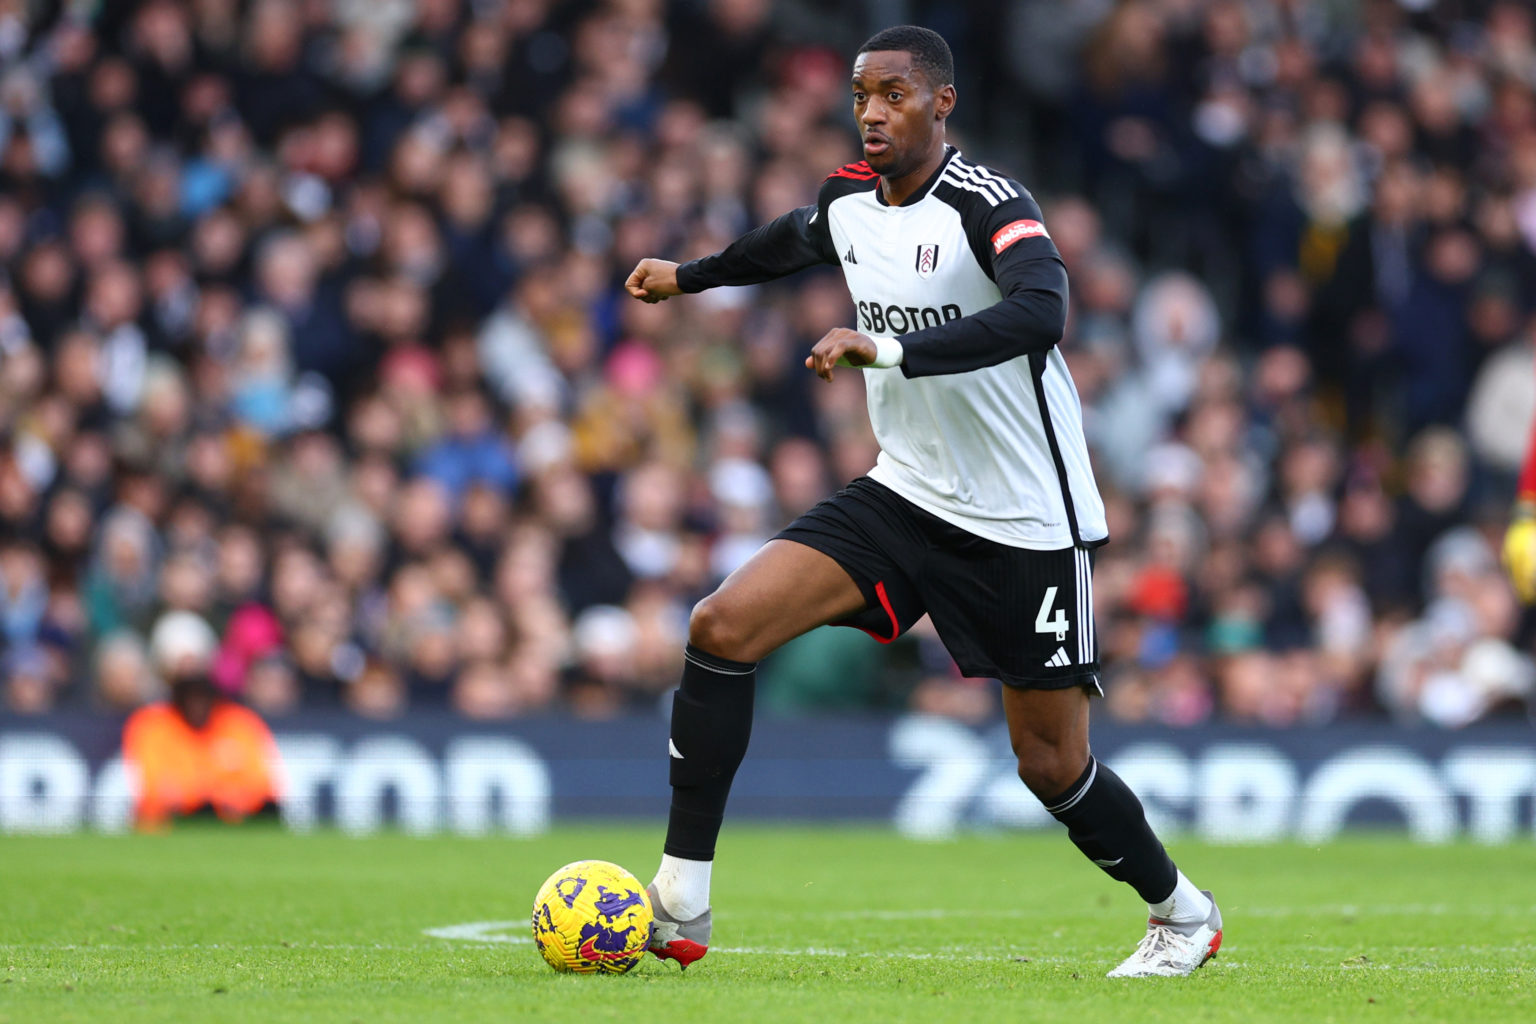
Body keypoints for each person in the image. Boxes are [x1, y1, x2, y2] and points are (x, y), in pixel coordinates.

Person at [624, 26, 1220, 978]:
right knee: (722, 625)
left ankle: (1181, 913)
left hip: (1028, 519)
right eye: (862, 94)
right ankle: (681, 901)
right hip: (906, 493)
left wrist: (886, 348)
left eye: (893, 95)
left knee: (1051, 765)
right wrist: (690, 276)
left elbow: (1042, 312)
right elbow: (790, 240)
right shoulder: (849, 200)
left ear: (941, 103)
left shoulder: (989, 203)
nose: (871, 111)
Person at [122, 611, 283, 830]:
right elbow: (154, 793)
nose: (196, 703)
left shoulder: (240, 722)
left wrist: (217, 800)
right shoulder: (150, 725)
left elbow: (262, 788)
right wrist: (209, 798)